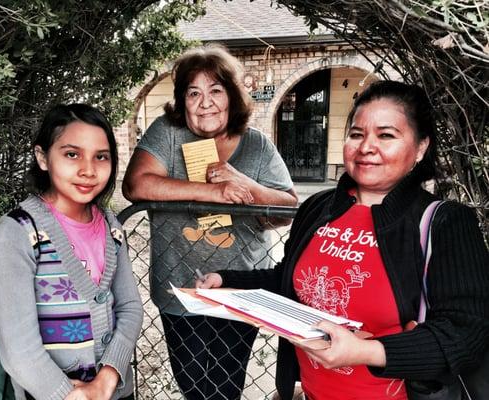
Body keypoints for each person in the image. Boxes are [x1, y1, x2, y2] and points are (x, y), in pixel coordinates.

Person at [197, 80, 489, 400]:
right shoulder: (319, 208)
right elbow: (289, 279)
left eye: (386, 135)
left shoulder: (444, 222)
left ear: (420, 147)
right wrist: (227, 280)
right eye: (357, 134)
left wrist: (366, 352)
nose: (366, 147)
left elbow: (467, 333)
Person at [122, 44, 298, 400]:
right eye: (194, 93)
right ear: (182, 100)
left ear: (231, 96)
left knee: (226, 386)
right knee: (191, 386)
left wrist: (245, 184)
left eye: (216, 90)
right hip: (181, 288)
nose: (205, 102)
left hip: (239, 289)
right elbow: (136, 184)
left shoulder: (257, 145)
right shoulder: (167, 133)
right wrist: (212, 192)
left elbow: (289, 206)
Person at [0, 104, 143, 400]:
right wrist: (70, 395)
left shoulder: (111, 227)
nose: (88, 169)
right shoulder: (17, 233)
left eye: (101, 157)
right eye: (72, 154)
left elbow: (130, 307)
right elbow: (19, 349)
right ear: (43, 158)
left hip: (115, 391)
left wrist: (107, 379)